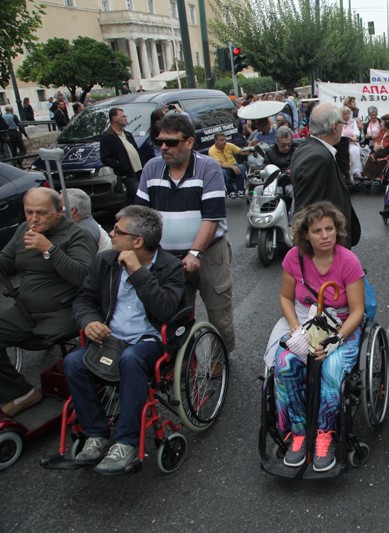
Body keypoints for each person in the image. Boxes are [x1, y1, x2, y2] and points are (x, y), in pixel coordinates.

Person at [64, 206, 185, 474]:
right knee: (73, 362)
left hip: (149, 340)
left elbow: (166, 310)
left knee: (131, 360)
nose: (111, 234)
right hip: (111, 336)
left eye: (118, 231)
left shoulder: (171, 267)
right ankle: (96, 434)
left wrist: (137, 272)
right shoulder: (105, 260)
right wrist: (89, 321)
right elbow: (84, 299)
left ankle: (126, 442)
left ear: (137, 241)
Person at [268, 201, 366, 472]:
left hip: (342, 324)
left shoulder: (348, 261)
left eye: (330, 229)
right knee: (285, 364)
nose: (325, 236)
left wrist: (335, 341)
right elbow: (286, 297)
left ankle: (324, 433)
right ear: (305, 235)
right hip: (306, 321)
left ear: (338, 231)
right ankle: (298, 434)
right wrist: (294, 327)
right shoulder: (294, 258)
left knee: (332, 368)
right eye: (317, 231)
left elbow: (358, 311)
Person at [135, 114, 236, 353]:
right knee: (174, 313)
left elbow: (211, 218)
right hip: (167, 258)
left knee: (218, 309)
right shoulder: (151, 168)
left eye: (171, 142)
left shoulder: (207, 167)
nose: (163, 147)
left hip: (209, 252)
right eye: (159, 141)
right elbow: (140, 215)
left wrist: (194, 253)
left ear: (189, 142)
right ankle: (183, 361)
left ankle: (219, 357)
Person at [0, 188, 97, 417]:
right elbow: (6, 261)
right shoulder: (24, 230)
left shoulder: (77, 235)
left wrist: (50, 250)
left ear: (59, 212)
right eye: (29, 212)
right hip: (26, 310)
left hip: (62, 312)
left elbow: (83, 276)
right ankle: (20, 392)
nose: (34, 219)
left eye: (41, 213)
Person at [289, 102, 357, 247]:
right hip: (325, 248)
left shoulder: (308, 148)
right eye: (342, 124)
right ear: (334, 127)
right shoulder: (318, 158)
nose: (343, 128)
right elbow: (309, 210)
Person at [100, 107, 146, 206]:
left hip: (139, 172)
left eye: (126, 116)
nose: (126, 118)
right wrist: (120, 164)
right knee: (141, 197)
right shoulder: (107, 137)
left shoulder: (127, 134)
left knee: (134, 199)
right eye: (123, 116)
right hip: (128, 175)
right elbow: (105, 158)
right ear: (114, 118)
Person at [208, 132, 247, 199]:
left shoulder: (229, 145)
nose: (224, 142)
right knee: (223, 172)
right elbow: (218, 165)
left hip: (234, 165)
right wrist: (232, 167)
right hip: (224, 168)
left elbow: (241, 151)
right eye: (221, 140)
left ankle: (240, 190)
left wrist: (250, 150)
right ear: (216, 141)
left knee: (242, 167)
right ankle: (231, 191)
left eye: (225, 140)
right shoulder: (212, 150)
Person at [341, 106, 364, 180]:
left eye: (349, 114)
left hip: (351, 143)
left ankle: (356, 171)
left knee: (354, 151)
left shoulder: (352, 122)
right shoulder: (338, 122)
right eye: (346, 114)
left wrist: (355, 136)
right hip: (341, 144)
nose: (348, 116)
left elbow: (356, 132)